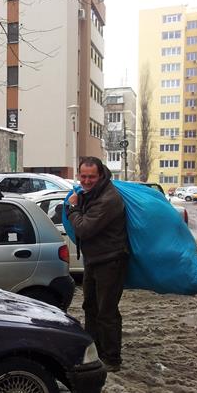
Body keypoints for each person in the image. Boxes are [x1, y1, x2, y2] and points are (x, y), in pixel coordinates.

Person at [66, 157, 128, 372]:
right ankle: (94, 352)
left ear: (100, 175)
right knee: (90, 307)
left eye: (91, 177)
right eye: (83, 176)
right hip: (94, 259)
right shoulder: (92, 193)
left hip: (111, 261)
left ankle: (112, 359)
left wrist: (72, 208)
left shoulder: (108, 199)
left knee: (106, 312)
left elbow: (84, 229)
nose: (86, 180)